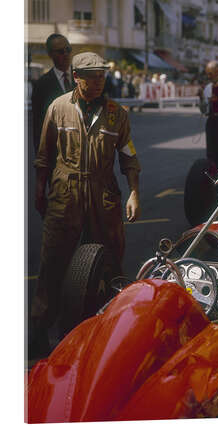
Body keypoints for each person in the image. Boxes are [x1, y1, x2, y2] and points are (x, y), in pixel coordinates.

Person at [30, 52, 141, 359]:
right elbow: (44, 157)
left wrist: (134, 193)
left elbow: (129, 156)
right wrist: (41, 191)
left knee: (110, 264)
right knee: (53, 263)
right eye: (91, 77)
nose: (97, 82)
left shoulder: (116, 114)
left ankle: (108, 329)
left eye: (101, 76)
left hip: (102, 194)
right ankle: (39, 332)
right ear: (76, 77)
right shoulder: (58, 108)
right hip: (66, 193)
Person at [31, 34, 75, 154]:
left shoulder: (82, 78)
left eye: (68, 50)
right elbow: (39, 125)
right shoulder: (41, 85)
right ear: (50, 54)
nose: (66, 54)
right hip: (56, 153)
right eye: (60, 51)